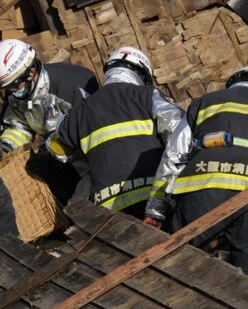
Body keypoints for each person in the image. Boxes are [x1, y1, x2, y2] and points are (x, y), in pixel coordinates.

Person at [144, 66, 248, 281]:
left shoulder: (204, 102)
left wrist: (156, 210)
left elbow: (173, 155)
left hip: (201, 188)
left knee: (184, 268)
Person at [45, 47, 183, 219]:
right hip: (153, 199)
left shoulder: (80, 111)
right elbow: (179, 131)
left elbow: (56, 149)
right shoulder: (146, 95)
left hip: (108, 209)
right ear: (141, 74)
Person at [0, 38, 99, 203]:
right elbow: (18, 128)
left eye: (13, 86)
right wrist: (5, 147)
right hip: (58, 159)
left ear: (30, 72)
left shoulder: (72, 84)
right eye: (6, 88)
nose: (11, 92)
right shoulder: (19, 93)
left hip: (93, 159)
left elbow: (87, 129)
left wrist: (51, 156)